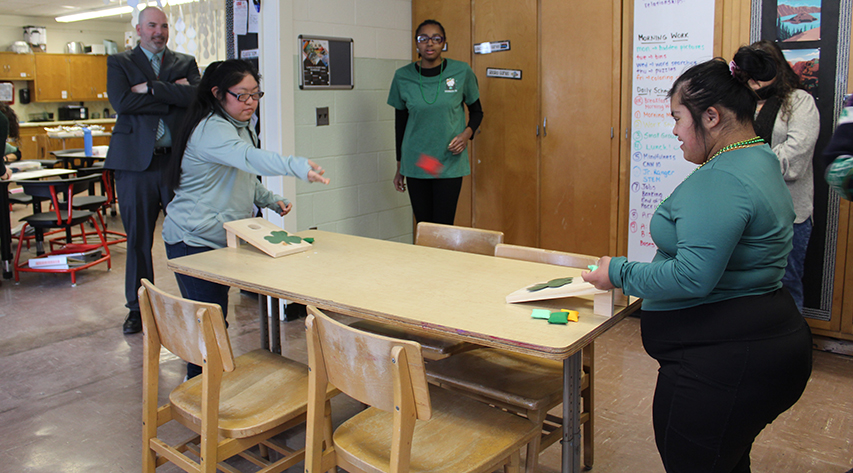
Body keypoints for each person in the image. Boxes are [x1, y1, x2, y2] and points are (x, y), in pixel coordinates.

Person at [583, 51, 812, 473]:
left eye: (677, 118)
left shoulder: (724, 177)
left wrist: (617, 272)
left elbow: (692, 277)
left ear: (710, 116)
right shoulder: (757, 156)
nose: (674, 131)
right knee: (723, 459)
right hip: (747, 346)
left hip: (725, 361)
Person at [162, 59, 329, 379]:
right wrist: (295, 166)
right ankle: (198, 391)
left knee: (214, 320)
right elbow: (248, 158)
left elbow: (240, 173)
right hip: (192, 238)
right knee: (208, 325)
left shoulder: (239, 125)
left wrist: (268, 199)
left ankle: (206, 387)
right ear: (217, 93)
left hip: (220, 238)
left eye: (256, 95)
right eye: (242, 95)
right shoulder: (212, 129)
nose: (251, 103)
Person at [105, 6, 201, 335]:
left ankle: (195, 302)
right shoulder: (120, 62)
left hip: (175, 163)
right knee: (138, 240)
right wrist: (172, 93)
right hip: (135, 165)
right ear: (138, 28)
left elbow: (198, 99)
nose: (158, 32)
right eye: (151, 26)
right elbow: (122, 102)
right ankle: (138, 307)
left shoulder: (184, 62)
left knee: (187, 236)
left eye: (163, 26)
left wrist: (150, 88)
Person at [387, 19, 483, 225]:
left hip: (448, 161)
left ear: (443, 43)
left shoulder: (461, 71)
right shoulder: (402, 76)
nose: (429, 44)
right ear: (416, 44)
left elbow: (477, 112)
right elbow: (400, 124)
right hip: (418, 161)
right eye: (423, 39)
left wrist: (466, 134)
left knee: (443, 225)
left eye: (436, 39)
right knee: (424, 225)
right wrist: (399, 166)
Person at [747, 40, 819, 313]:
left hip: (789, 215)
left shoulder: (800, 102)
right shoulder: (741, 104)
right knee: (747, 287)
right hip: (746, 214)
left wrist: (747, 161)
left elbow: (795, 157)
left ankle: (791, 354)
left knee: (787, 285)